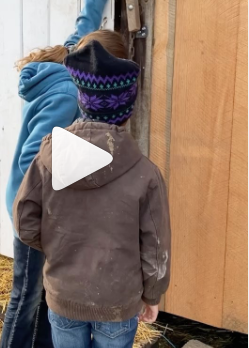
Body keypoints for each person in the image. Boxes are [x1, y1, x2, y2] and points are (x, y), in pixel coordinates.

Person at [13, 41, 171, 348]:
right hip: (117, 302)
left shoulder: (47, 157)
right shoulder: (145, 174)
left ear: (83, 101)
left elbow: (24, 221)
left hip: (64, 294)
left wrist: (59, 248)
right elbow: (156, 247)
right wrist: (152, 295)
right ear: (127, 110)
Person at [2, 1, 129, 347]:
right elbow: (35, 158)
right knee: (26, 297)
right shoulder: (69, 94)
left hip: (45, 209)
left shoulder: (75, 54)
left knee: (48, 295)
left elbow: (83, 21)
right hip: (33, 212)